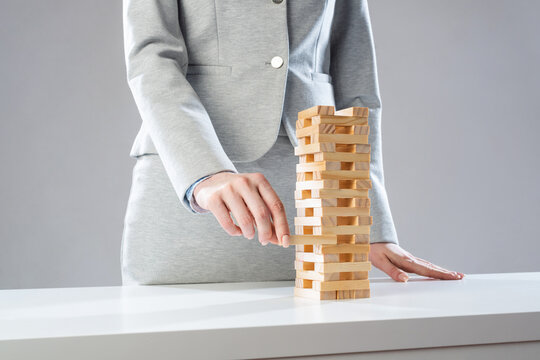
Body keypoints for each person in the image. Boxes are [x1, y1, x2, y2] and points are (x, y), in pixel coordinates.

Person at [120, 0, 464, 286]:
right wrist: (205, 174)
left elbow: (356, 86)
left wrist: (367, 217)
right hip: (190, 184)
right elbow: (151, 59)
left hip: (319, 198)